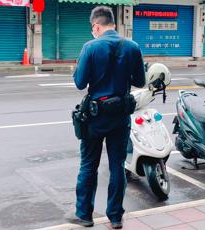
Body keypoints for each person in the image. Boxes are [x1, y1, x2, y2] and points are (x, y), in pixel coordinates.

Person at [68, 5, 145, 229]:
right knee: (117, 166)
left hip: (95, 117)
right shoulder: (132, 47)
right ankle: (115, 217)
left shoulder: (90, 47)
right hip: (120, 116)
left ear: (96, 26)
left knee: (88, 165)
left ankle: (84, 215)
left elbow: (80, 83)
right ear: (113, 23)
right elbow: (140, 82)